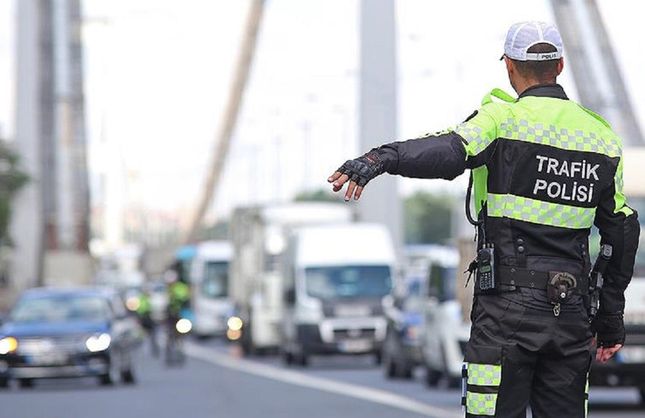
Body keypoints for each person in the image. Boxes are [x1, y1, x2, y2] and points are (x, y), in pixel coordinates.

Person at [328, 21, 639, 417]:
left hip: (507, 312)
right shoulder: (602, 137)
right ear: (560, 66)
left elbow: (448, 151)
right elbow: (623, 232)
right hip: (572, 313)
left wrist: (380, 159)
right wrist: (609, 319)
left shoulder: (501, 120)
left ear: (509, 66)